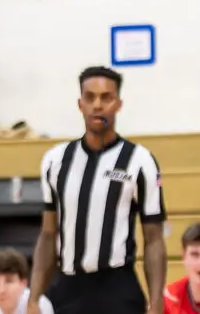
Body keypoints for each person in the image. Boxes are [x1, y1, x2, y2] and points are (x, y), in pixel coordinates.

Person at [28, 66, 167, 314]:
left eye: (106, 97)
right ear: (80, 104)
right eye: (90, 97)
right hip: (67, 287)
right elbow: (48, 234)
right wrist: (34, 297)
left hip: (117, 287)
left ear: (118, 104)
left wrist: (156, 303)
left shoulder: (140, 160)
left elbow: (154, 239)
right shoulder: (55, 160)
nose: (98, 105)